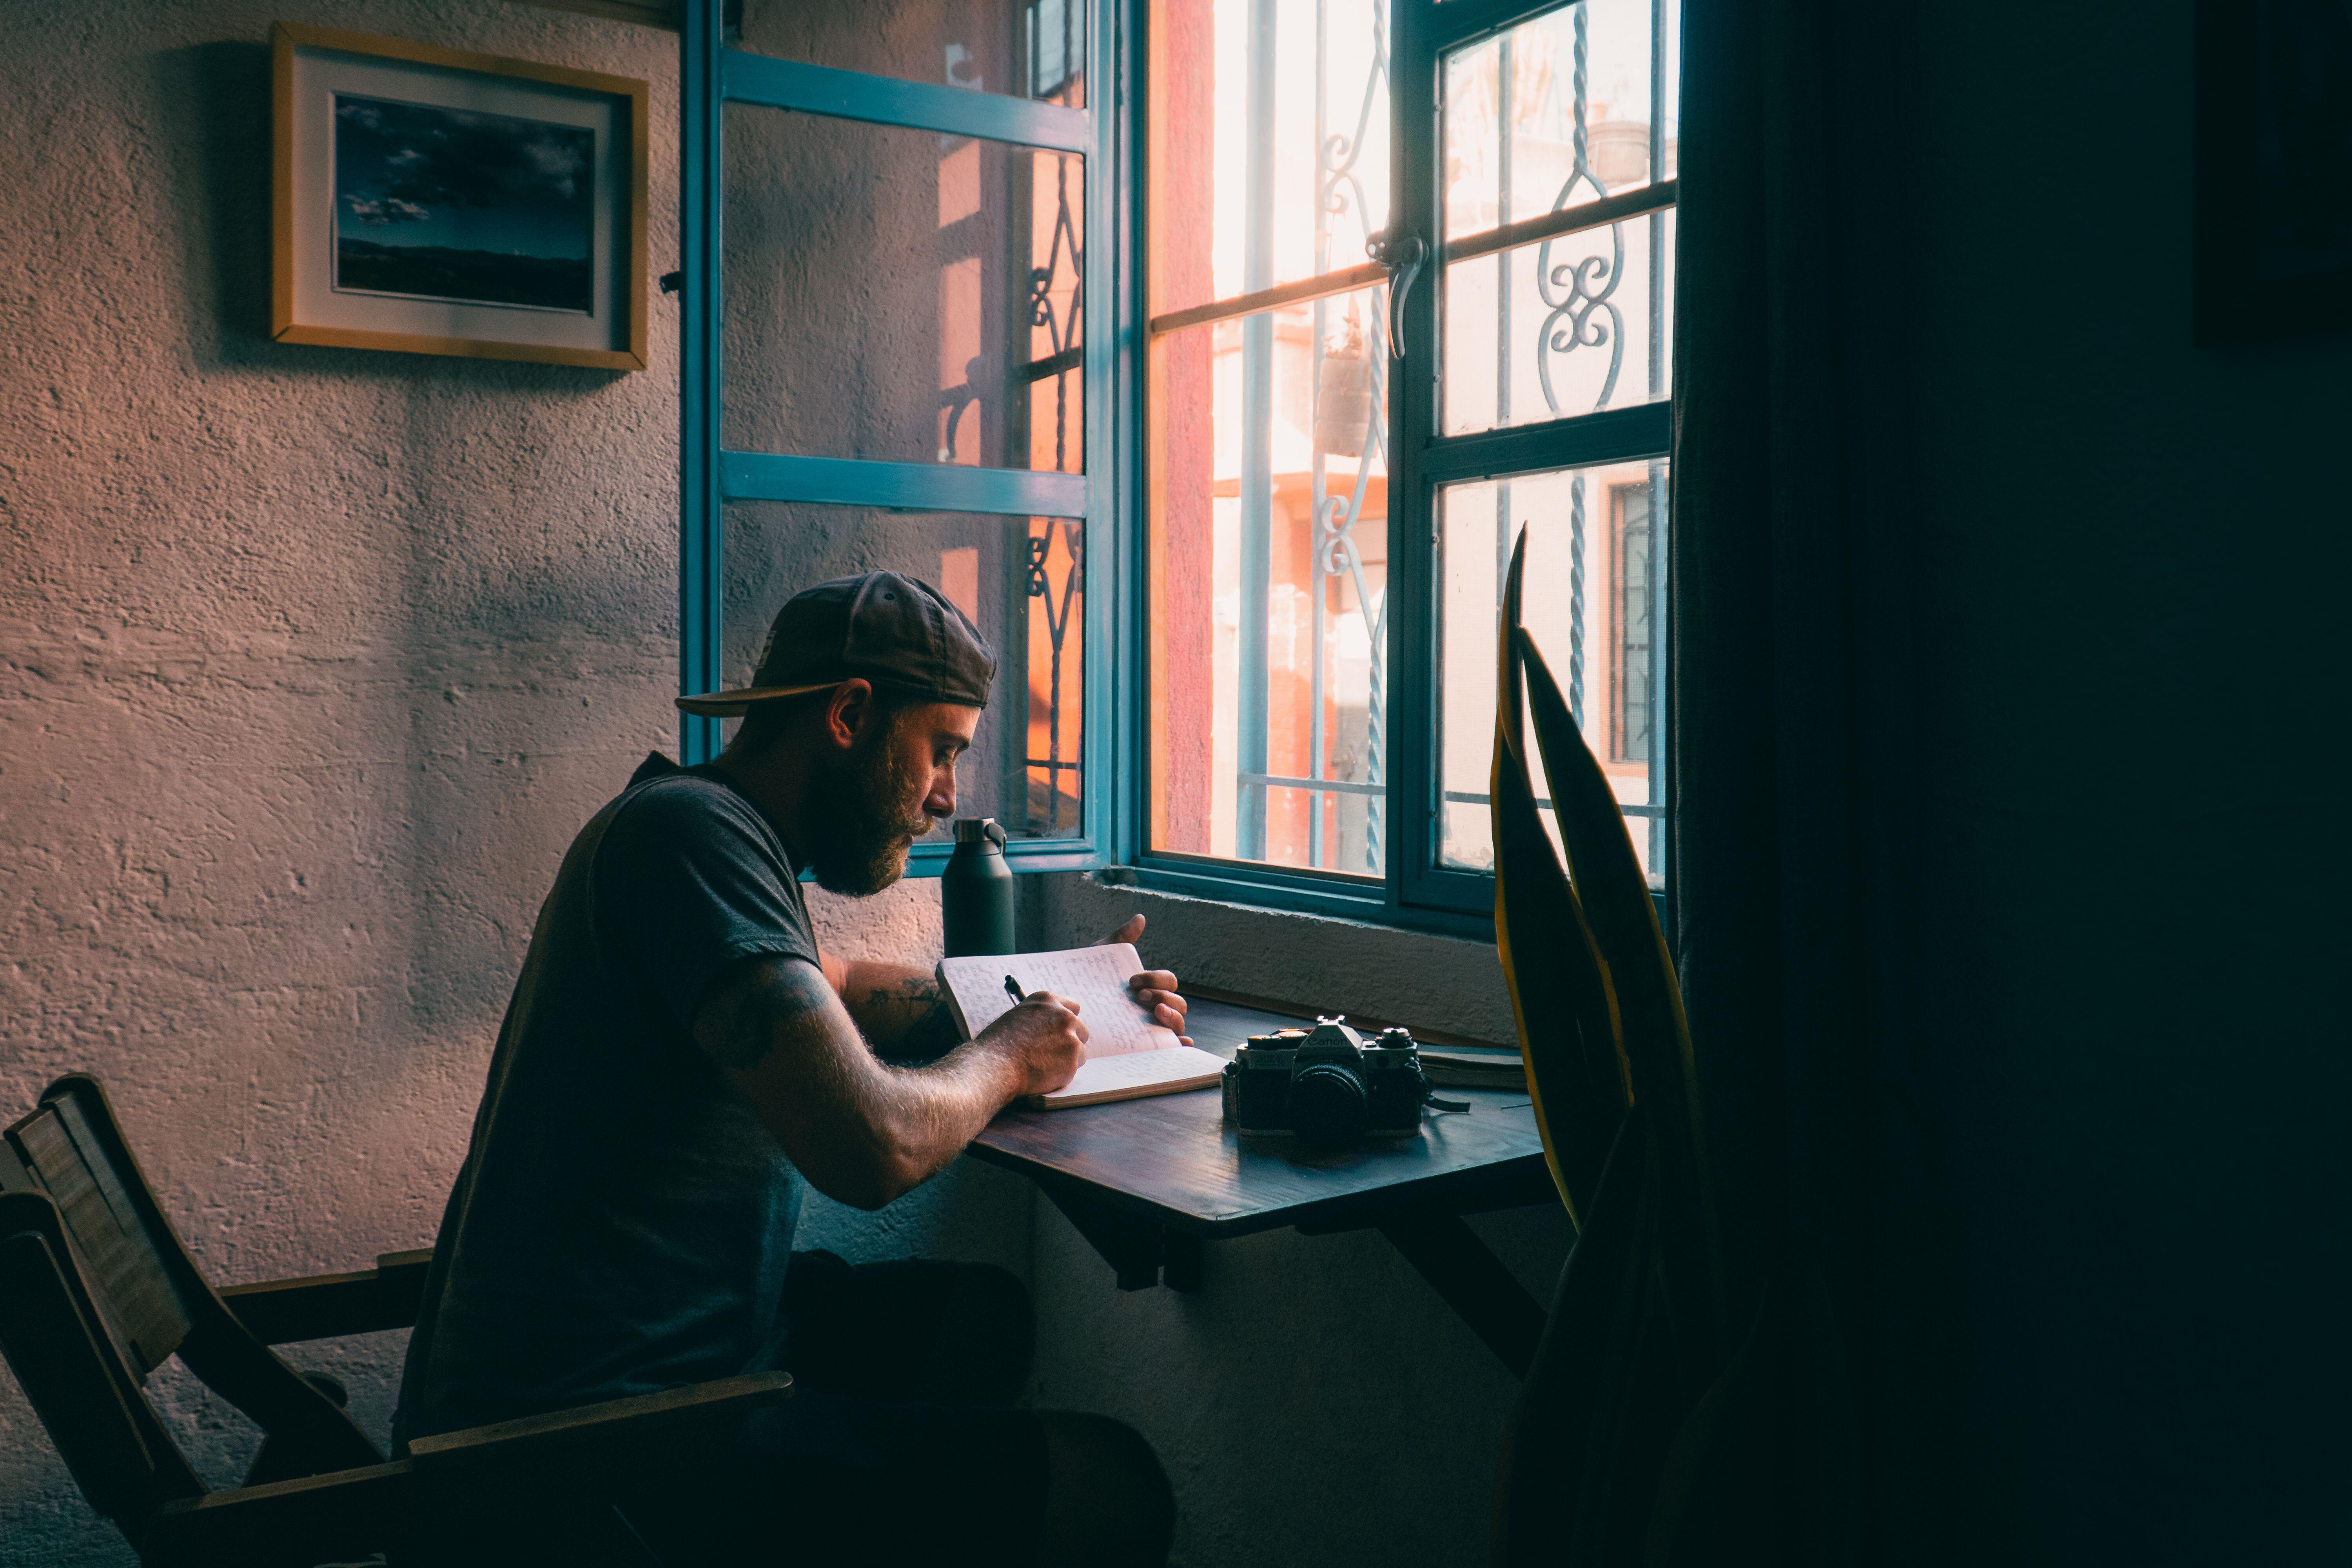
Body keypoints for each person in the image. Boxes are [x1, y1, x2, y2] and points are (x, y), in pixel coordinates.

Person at [392, 571, 1181, 1566]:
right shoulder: (692, 838)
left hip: (687, 1343)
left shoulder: (707, 827)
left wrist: (1061, 998)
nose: (946, 797)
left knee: (983, 1320)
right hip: (585, 1452)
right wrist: (1006, 1055)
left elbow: (832, 982)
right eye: (941, 750)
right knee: (1113, 1486)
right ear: (850, 714)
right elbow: (874, 1145)